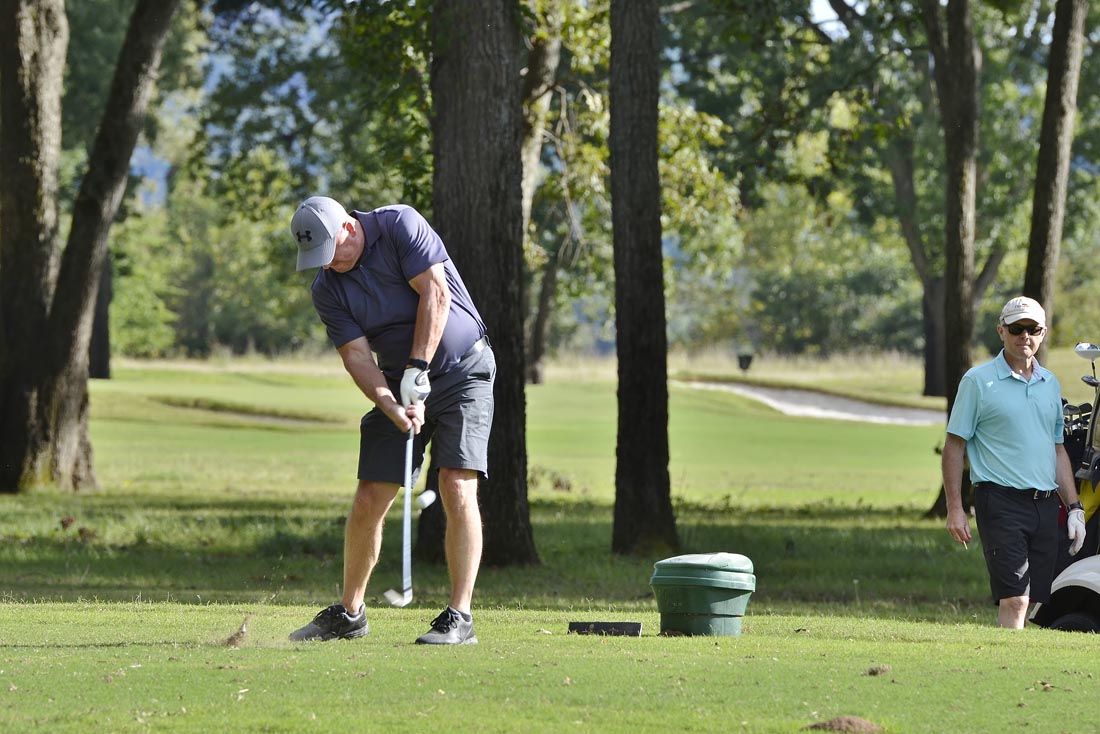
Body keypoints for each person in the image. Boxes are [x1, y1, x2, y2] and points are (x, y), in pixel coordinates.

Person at [286, 196, 495, 645]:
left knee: (456, 482)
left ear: (347, 227)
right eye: (319, 259)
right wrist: (390, 404)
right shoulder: (328, 288)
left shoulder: (399, 225)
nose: (329, 264)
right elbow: (357, 356)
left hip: (463, 371)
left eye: (331, 252)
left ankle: (460, 617)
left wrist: (418, 369)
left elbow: (435, 293)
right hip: (399, 384)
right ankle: (350, 613)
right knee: (369, 496)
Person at [943, 296, 1085, 628]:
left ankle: (1009, 650)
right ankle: (1008, 654)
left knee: (1032, 597)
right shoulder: (978, 381)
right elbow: (954, 446)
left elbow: (1057, 449)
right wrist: (955, 508)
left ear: (1043, 333)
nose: (1025, 336)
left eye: (1032, 329)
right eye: (1017, 328)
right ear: (1001, 331)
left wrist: (1075, 507)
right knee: (1016, 597)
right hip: (1000, 500)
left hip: (1045, 504)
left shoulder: (1050, 383)